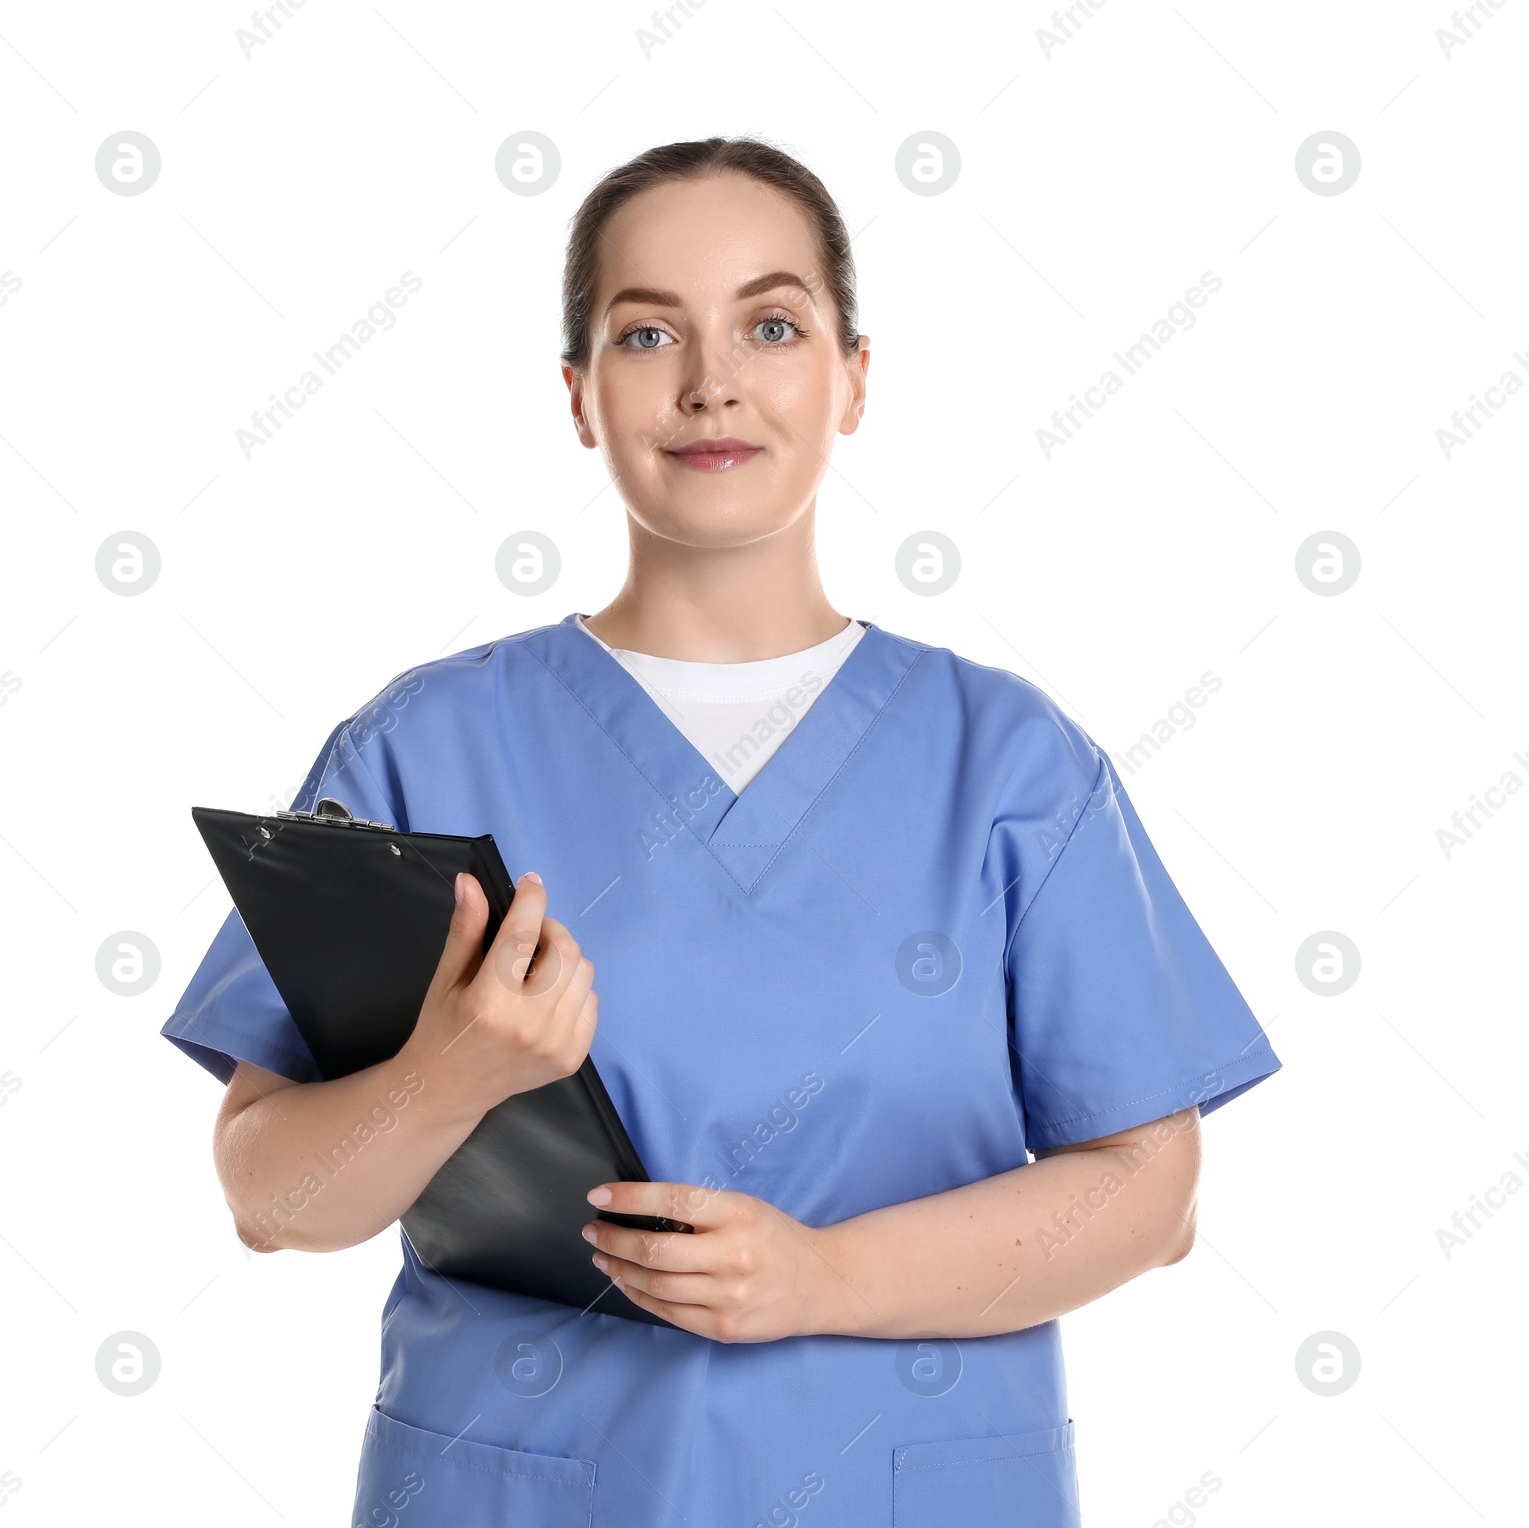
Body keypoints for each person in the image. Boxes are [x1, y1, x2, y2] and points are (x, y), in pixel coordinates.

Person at [163, 137, 1282, 1527]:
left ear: (855, 378)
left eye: (771, 323)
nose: (713, 383)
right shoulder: (421, 751)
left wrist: (826, 1281)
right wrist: (446, 1077)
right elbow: (272, 1195)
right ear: (578, 394)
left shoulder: (1010, 764)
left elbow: (1150, 1191)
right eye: (647, 332)